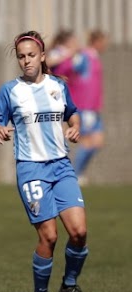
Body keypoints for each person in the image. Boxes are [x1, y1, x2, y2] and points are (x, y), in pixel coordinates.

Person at [0, 31, 92, 292]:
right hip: (31, 169)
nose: (26, 61)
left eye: (31, 55)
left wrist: (75, 126)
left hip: (61, 166)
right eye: (21, 56)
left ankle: (69, 285)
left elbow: (72, 111)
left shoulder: (57, 85)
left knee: (79, 232)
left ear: (42, 56)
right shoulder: (10, 90)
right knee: (50, 236)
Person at [54, 31, 108, 184]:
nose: (105, 45)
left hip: (94, 107)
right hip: (85, 106)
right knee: (86, 141)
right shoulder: (84, 56)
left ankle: (78, 173)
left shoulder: (94, 57)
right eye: (103, 41)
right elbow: (67, 71)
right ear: (95, 41)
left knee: (98, 141)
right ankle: (75, 174)